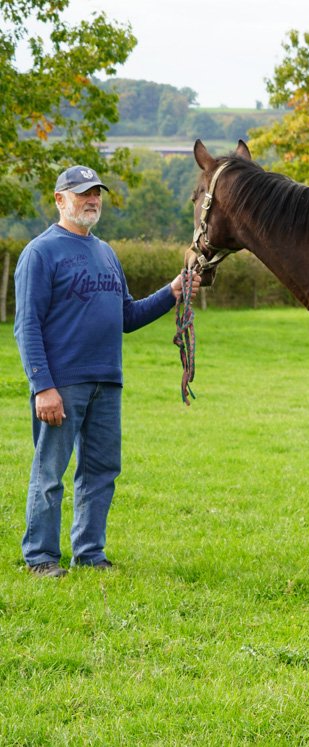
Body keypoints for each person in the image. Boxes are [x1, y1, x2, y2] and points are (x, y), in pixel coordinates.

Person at [14, 165, 200, 578]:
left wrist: (172, 291)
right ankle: (40, 557)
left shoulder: (106, 253)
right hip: (62, 384)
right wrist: (43, 386)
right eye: (83, 193)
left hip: (107, 381)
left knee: (100, 471)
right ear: (60, 199)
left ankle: (89, 553)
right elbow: (26, 326)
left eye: (96, 192)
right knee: (50, 473)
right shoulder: (40, 253)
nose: (92, 199)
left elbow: (127, 316)